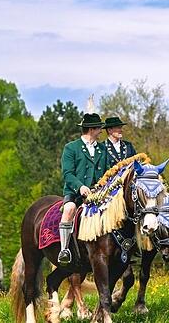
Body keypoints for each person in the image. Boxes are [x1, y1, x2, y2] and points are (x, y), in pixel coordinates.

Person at [59, 112, 107, 264]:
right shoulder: (71, 148)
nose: (101, 131)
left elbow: (108, 171)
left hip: (99, 193)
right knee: (69, 209)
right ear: (92, 129)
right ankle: (64, 249)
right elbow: (67, 173)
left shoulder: (102, 149)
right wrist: (80, 187)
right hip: (75, 192)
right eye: (99, 128)